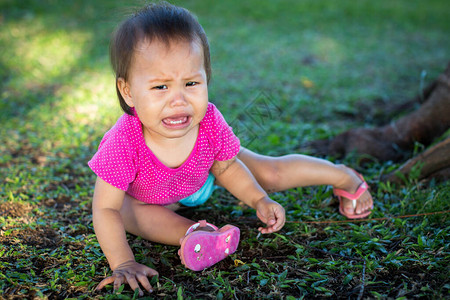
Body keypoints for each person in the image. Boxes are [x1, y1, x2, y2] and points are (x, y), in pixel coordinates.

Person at [88, 2, 374, 296]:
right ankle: (198, 235)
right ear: (127, 91)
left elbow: (227, 167)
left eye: (191, 82)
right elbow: (104, 207)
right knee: (123, 210)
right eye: (160, 87)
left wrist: (259, 199)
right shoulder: (124, 141)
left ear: (205, 78)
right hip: (157, 198)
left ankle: (343, 176)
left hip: (209, 168)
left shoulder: (208, 121)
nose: (178, 99)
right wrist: (122, 262)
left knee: (270, 173)